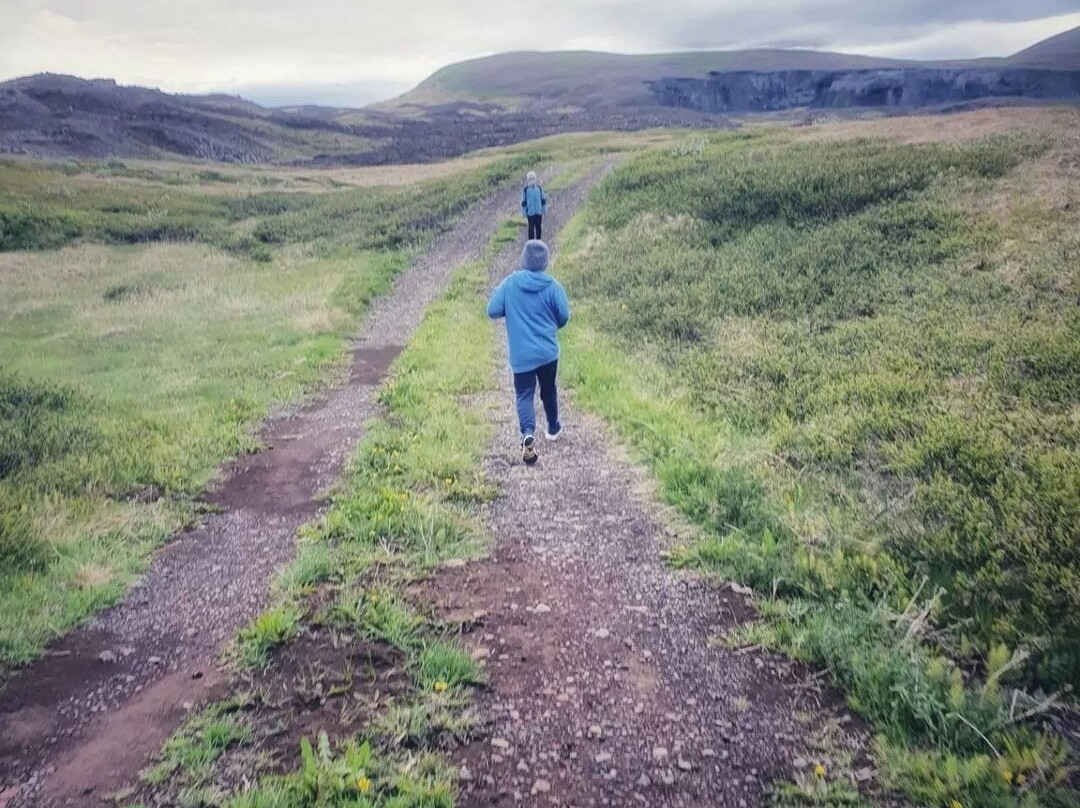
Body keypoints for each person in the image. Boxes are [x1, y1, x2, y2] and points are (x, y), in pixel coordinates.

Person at [487, 239, 569, 465]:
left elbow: (492, 310)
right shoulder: (553, 286)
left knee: (524, 394)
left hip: (521, 355)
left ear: (524, 259)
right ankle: (553, 429)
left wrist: (510, 305)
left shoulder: (510, 283)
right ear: (545, 262)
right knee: (549, 389)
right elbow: (564, 317)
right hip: (547, 353)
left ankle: (528, 434)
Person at [521, 171, 547, 240]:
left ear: (535, 179)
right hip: (530, 213)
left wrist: (544, 210)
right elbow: (523, 202)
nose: (531, 181)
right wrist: (524, 212)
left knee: (538, 227)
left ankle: (539, 241)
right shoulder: (526, 190)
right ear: (528, 180)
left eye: (533, 179)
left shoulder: (539, 188)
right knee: (531, 228)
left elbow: (543, 199)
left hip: (538, 212)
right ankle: (531, 242)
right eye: (530, 179)